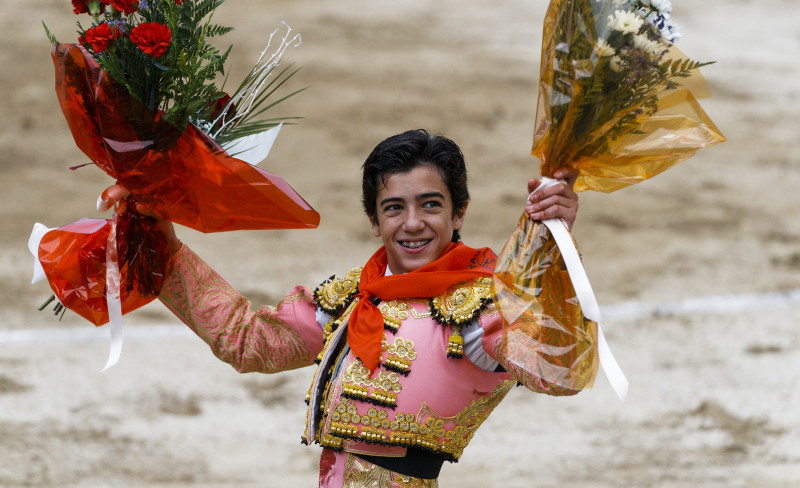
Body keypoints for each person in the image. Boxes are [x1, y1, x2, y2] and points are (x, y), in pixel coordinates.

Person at [103, 129, 596, 487]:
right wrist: (159, 239)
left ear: (459, 212)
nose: (413, 223)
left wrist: (552, 241)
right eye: (394, 207)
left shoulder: (479, 308)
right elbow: (247, 341)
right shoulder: (352, 299)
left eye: (431, 205)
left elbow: (560, 371)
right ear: (374, 220)